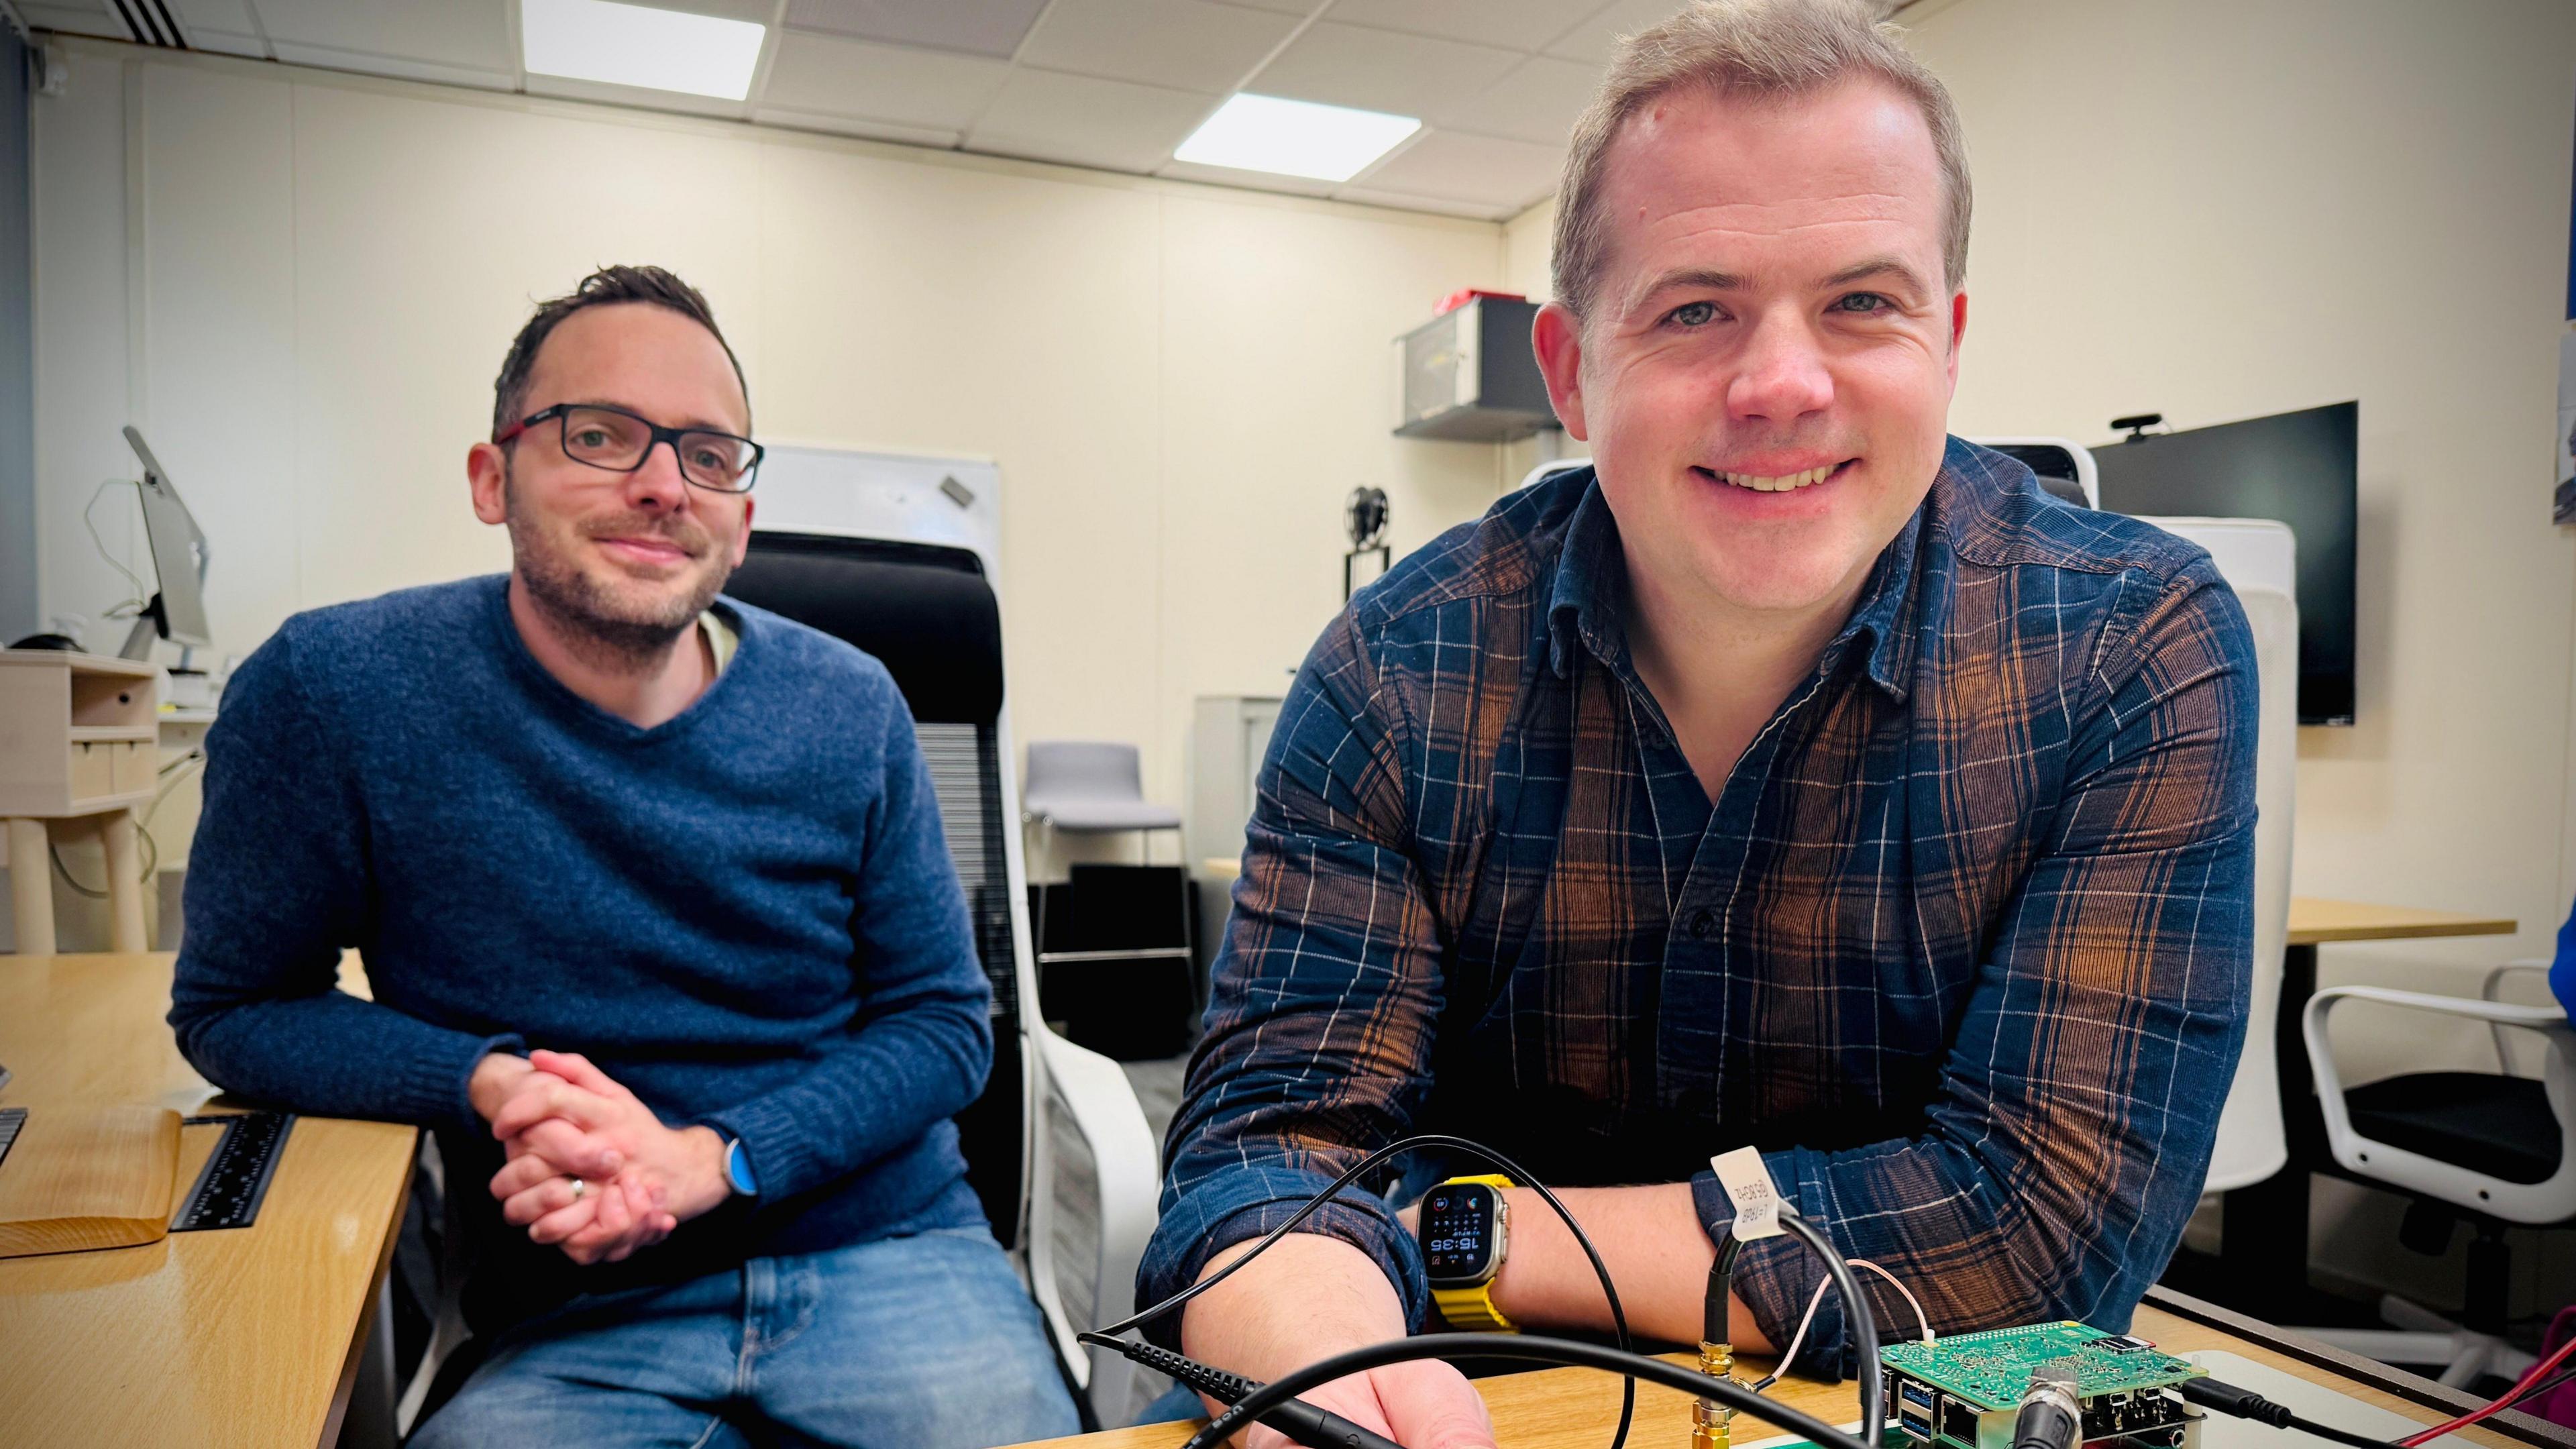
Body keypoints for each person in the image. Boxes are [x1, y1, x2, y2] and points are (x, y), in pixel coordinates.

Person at [1140, 3, 2259, 1446]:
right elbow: (1268, 1153)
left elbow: (2038, 1237)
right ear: (1570, 372)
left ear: (1952, 339)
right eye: (1694, 309)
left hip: (1874, 1412)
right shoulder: (1397, 672)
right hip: (1461, 1402)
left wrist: (1473, 1237)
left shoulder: (2130, 645)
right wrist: (1322, 1357)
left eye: (1865, 303)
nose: (1784, 385)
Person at [168, 265, 1080, 1448]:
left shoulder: (851, 708)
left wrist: (715, 1161)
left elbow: (944, 1022)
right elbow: (238, 1005)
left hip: (886, 1254)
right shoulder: (333, 693)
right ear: (493, 479)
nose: (661, 485)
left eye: (708, 454)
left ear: (742, 521)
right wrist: (495, 1085)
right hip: (573, 1304)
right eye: (599, 435)